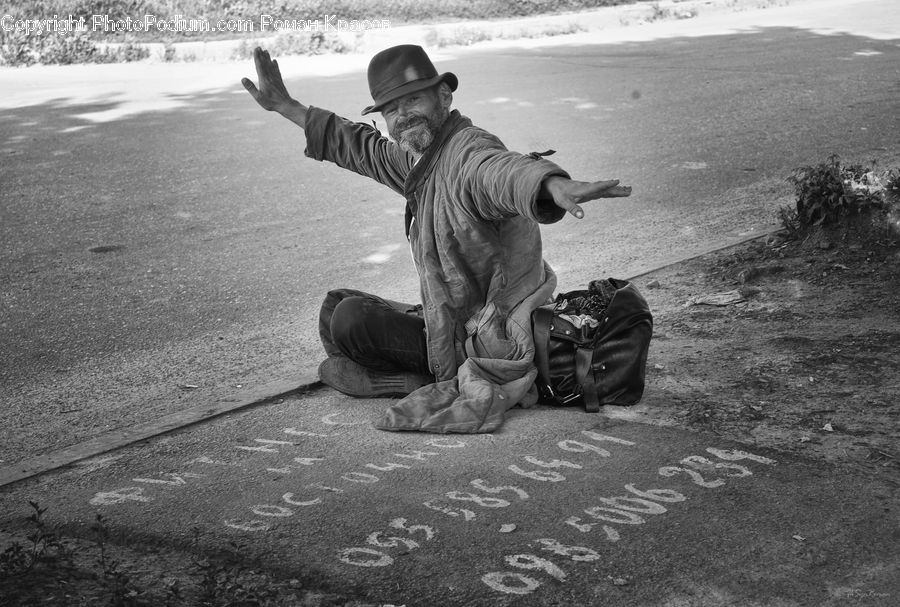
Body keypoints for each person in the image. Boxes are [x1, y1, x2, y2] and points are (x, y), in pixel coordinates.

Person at [242, 44, 632, 433]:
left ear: (443, 96)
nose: (402, 115)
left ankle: (419, 380)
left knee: (350, 321)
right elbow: (359, 145)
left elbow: (499, 172)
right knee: (335, 305)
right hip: (454, 317)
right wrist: (285, 106)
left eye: (412, 100)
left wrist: (549, 183)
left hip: (486, 338)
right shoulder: (419, 158)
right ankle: (399, 368)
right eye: (391, 109)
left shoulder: (467, 152)